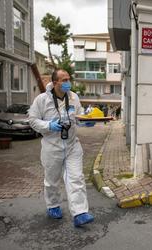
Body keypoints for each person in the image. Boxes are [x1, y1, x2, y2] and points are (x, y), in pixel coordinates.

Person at [29, 69, 94, 227]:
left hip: (72, 145)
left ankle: (79, 213)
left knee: (76, 178)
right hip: (52, 147)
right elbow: (32, 120)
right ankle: (53, 205)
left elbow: (78, 117)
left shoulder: (73, 97)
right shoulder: (42, 100)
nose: (68, 82)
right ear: (55, 82)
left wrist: (86, 121)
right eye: (64, 80)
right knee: (52, 181)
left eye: (68, 79)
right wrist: (48, 125)